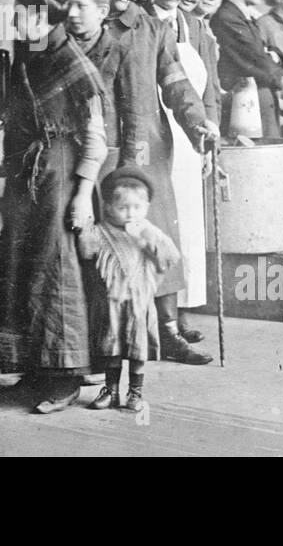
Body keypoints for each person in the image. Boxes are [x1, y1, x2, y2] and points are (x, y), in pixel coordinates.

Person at [65, 0, 214, 364]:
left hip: (148, 148)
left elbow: (176, 82)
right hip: (98, 151)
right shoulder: (78, 29)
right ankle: (104, 341)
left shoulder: (151, 28)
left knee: (157, 233)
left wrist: (198, 123)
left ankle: (166, 333)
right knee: (105, 244)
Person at [1, 0, 107, 413]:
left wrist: (82, 196)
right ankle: (35, 367)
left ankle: (64, 378)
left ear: (46, 18)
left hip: (62, 176)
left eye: (24, 14)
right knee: (25, 267)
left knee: (57, 270)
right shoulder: (29, 58)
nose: (15, 21)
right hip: (31, 176)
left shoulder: (73, 63)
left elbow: (95, 140)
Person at [137, 0, 221, 320]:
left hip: (191, 136)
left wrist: (209, 134)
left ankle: (184, 311)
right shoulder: (138, 23)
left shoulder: (196, 27)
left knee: (188, 223)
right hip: (153, 135)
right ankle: (158, 315)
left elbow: (209, 89)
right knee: (157, 221)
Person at [85, 168, 180, 415]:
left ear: (146, 207)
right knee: (112, 346)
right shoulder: (102, 230)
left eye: (137, 207)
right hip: (111, 302)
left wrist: (146, 238)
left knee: (138, 349)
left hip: (139, 302)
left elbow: (170, 256)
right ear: (107, 207)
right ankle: (111, 390)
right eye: (123, 207)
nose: (130, 213)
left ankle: (135, 392)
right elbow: (86, 251)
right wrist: (84, 229)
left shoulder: (148, 230)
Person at [211, 0, 283, 136]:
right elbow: (264, 64)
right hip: (245, 110)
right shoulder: (228, 18)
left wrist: (270, 56)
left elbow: (269, 56)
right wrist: (271, 59)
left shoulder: (243, 16)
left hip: (256, 104)